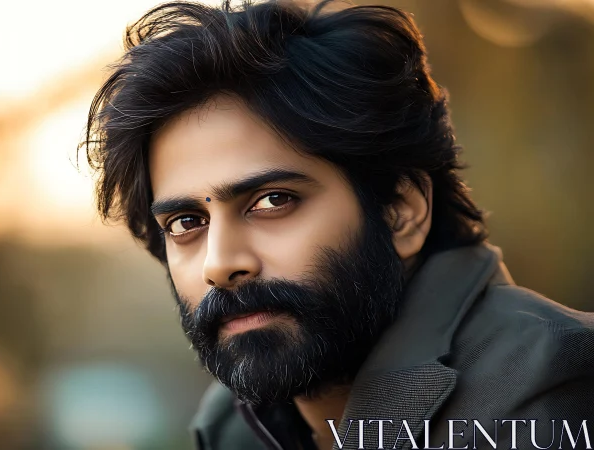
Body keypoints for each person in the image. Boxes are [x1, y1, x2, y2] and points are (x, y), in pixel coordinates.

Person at [81, 1, 594, 449]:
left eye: (272, 200)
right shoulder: (234, 422)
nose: (220, 263)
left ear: (400, 208)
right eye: (187, 221)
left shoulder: (553, 385)